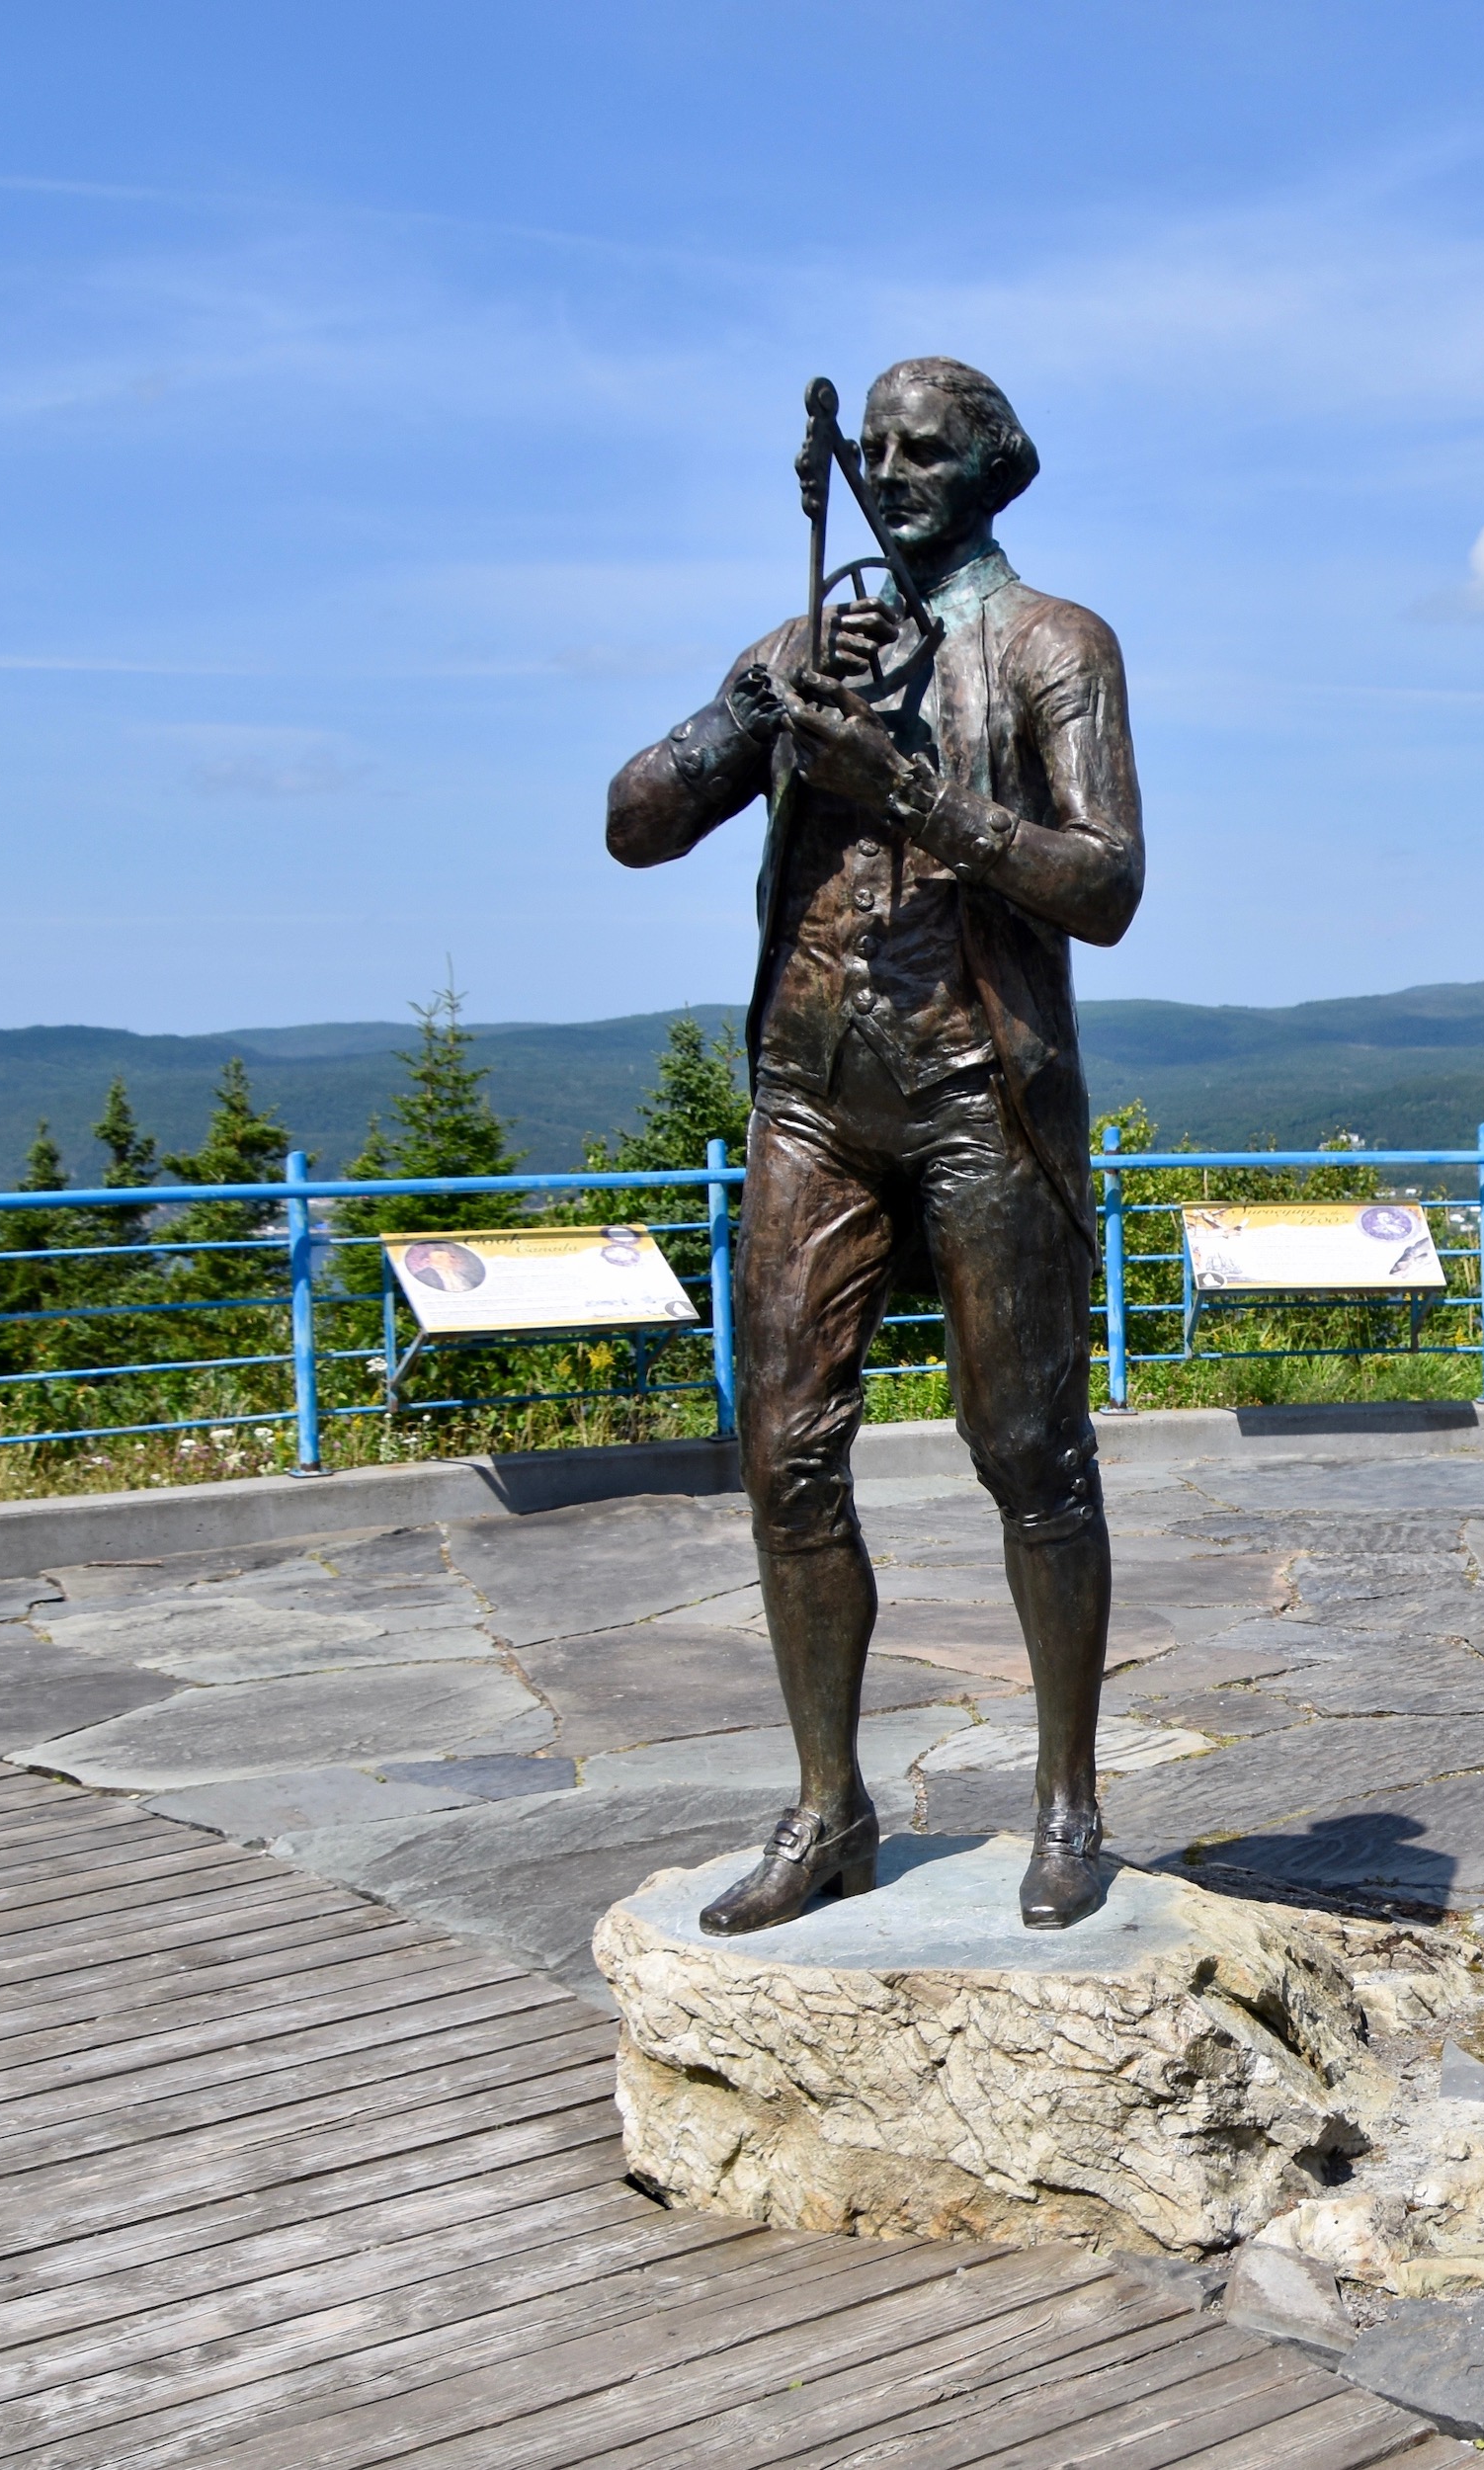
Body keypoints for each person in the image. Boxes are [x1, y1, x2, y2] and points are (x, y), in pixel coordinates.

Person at [605, 357, 1144, 1932]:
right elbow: (634, 822)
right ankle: (827, 1809)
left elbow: (1102, 886)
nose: (893, 473)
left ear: (991, 474)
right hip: (808, 1102)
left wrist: (908, 792)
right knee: (781, 1458)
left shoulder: (1055, 646)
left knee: (1028, 1455)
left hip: (982, 1090)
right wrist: (747, 717)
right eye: (877, 452)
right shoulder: (795, 649)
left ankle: (1067, 1805)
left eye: (927, 453)